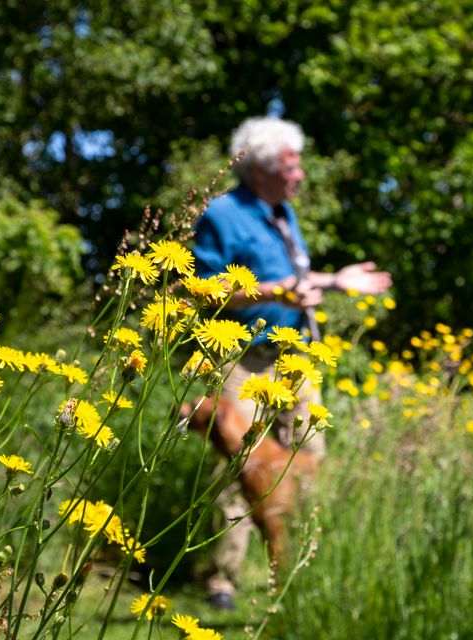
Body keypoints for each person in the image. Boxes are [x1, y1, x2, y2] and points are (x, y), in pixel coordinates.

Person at [193, 116, 391, 609]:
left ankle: (303, 568)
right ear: (259, 167)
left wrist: (336, 280)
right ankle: (223, 582)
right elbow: (205, 291)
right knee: (240, 467)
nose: (300, 173)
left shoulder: (283, 214)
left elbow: (293, 279)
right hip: (243, 357)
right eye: (290, 163)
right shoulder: (222, 215)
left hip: (294, 359)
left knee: (311, 461)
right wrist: (277, 290)